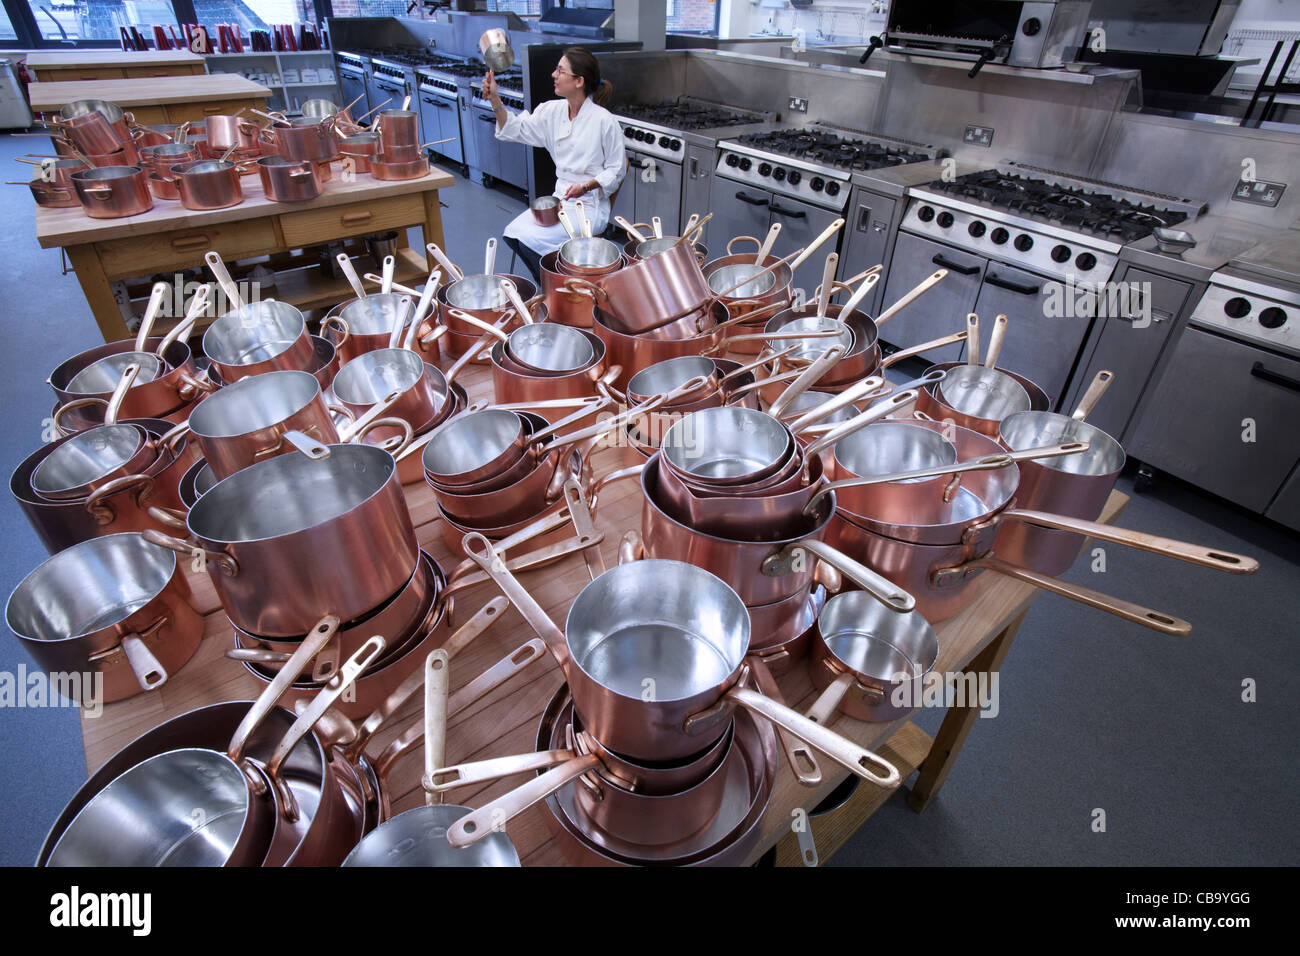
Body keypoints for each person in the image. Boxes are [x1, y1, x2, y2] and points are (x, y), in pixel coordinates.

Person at [482, 47, 627, 283]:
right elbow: (515, 129)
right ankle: (553, 282)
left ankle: (554, 284)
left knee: (533, 240)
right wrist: (494, 99)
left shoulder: (604, 121)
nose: (553, 75)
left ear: (579, 81)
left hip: (588, 207)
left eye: (560, 71)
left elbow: (616, 170)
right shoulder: (552, 111)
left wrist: (587, 186)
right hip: (559, 201)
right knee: (514, 233)